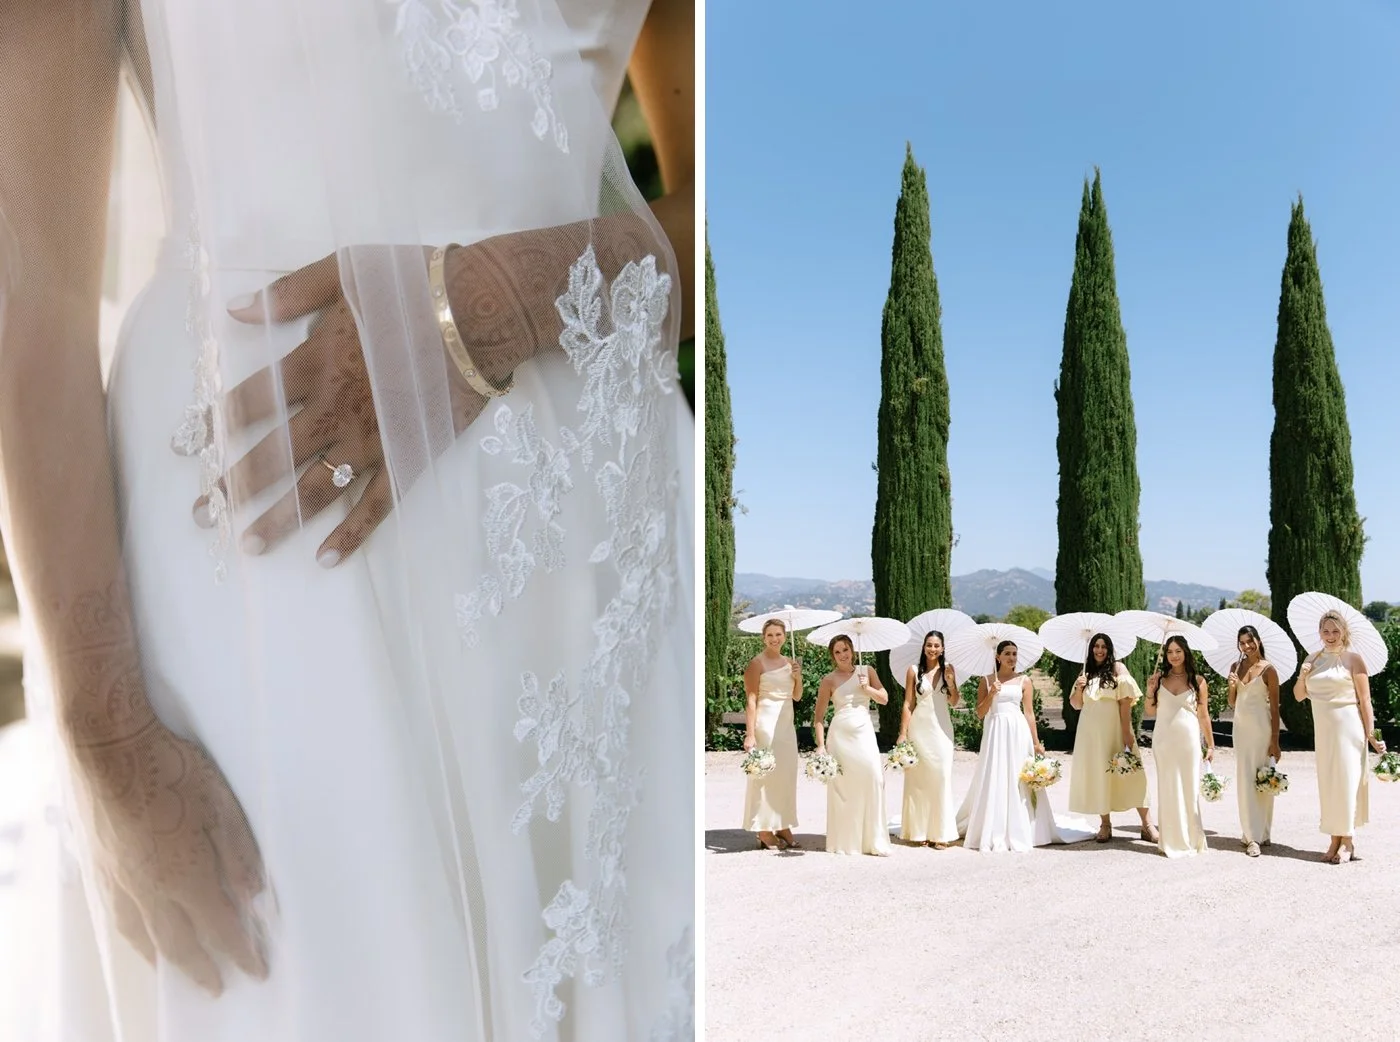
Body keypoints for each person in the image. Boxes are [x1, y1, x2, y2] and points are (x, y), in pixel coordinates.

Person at [0, 1, 696, 1038]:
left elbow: (744, 209)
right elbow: (28, 275)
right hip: (265, 549)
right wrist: (108, 736)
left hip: (592, 557)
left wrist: (510, 291)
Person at [956, 640, 1094, 852]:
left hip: (1017, 731)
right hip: (995, 731)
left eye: (1014, 654)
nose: (1012, 658)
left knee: (1018, 776)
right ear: (998, 657)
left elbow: (1029, 713)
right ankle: (994, 824)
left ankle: (1026, 826)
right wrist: (992, 693)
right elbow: (980, 712)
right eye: (1008, 654)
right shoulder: (986, 680)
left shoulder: (1024, 680)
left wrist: (1037, 743)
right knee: (996, 774)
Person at [1293, 610, 1386, 864]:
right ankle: (1334, 837)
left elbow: (1365, 700)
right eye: (1326, 631)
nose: (1330, 636)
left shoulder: (1354, 660)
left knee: (1346, 782)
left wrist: (1371, 735)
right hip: (1324, 732)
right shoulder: (1312, 659)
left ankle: (1346, 839)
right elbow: (1299, 695)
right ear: (1319, 633)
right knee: (1330, 784)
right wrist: (1303, 674)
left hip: (1349, 729)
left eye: (1335, 631)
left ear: (1344, 631)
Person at [1068, 633, 1159, 843]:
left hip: (1116, 730)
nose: (1100, 650)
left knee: (1133, 774)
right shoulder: (1085, 672)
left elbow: (1125, 702)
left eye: (1104, 646)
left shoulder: (1118, 669)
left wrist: (1127, 732)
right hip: (1090, 734)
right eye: (1096, 646)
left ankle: (1147, 825)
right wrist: (1079, 688)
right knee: (1100, 775)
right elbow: (1076, 705)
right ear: (1091, 649)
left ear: (1109, 650)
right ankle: (1105, 824)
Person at [812, 635, 890, 856]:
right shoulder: (828, 680)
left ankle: (873, 840)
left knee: (874, 778)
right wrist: (820, 746)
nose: (842, 655)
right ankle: (846, 841)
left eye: (845, 649)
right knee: (844, 787)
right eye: (837, 652)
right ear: (832, 656)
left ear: (852, 650)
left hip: (864, 732)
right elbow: (819, 717)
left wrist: (868, 689)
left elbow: (884, 699)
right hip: (840, 737)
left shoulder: (867, 670)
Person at [1145, 636, 1211, 858]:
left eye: (1178, 651)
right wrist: (1150, 689)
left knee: (1189, 789)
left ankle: (1192, 839)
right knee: (1168, 787)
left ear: (1186, 653)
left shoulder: (1198, 681)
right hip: (1163, 740)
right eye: (1170, 651)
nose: (1174, 655)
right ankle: (1170, 840)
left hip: (1189, 740)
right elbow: (1151, 711)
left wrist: (1210, 745)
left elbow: (1203, 715)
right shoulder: (1158, 679)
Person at [741, 619, 802, 849]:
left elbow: (797, 696)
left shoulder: (790, 662)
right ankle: (764, 830)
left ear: (785, 636)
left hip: (786, 725)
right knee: (766, 776)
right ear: (763, 638)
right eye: (770, 635)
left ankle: (783, 823)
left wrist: (798, 677)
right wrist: (750, 734)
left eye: (778, 634)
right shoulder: (757, 663)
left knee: (786, 775)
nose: (774, 639)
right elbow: (751, 699)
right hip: (766, 723)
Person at [896, 630, 959, 848]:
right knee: (918, 781)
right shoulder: (913, 671)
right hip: (919, 730)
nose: (933, 649)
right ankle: (919, 831)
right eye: (929, 645)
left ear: (942, 648)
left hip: (941, 730)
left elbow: (954, 701)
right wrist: (903, 733)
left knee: (941, 777)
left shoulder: (948, 670)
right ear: (924, 647)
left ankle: (941, 833)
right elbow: (908, 704)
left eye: (937, 645)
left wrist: (950, 682)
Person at [1227, 625, 1281, 857]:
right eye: (1242, 643)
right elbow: (1232, 703)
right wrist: (1231, 686)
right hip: (1240, 730)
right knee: (1245, 780)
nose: (1246, 646)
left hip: (1262, 730)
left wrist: (1275, 740)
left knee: (1263, 779)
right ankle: (1251, 834)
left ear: (1258, 641)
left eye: (1250, 641)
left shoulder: (1269, 670)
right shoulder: (1235, 667)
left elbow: (1276, 709)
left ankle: (1261, 833)